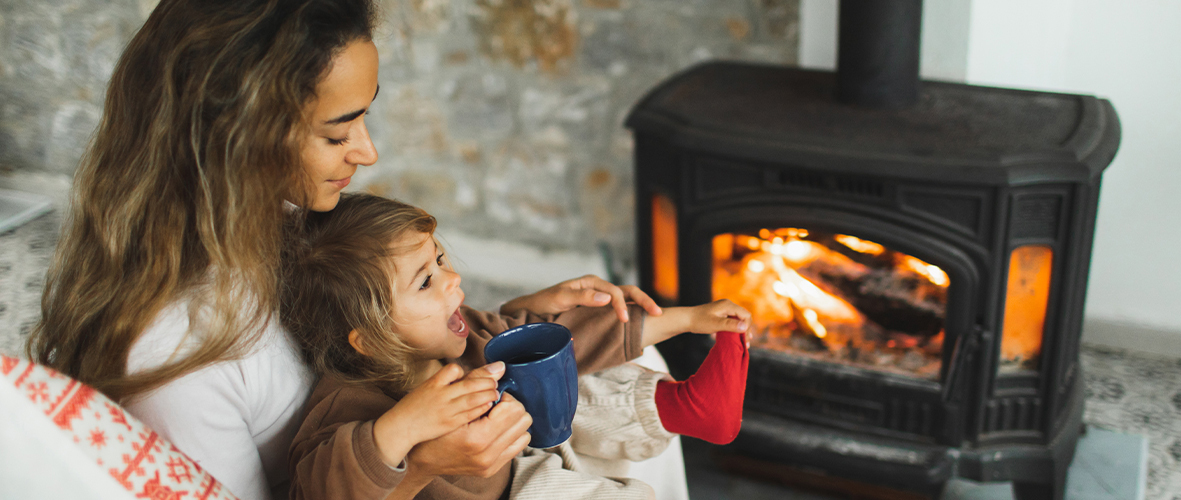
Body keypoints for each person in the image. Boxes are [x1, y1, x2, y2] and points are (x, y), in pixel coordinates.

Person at [24, 1, 659, 499]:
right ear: (240, 138)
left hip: (427, 445)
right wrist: (419, 468)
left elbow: (380, 331)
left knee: (633, 352)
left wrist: (519, 313)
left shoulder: (283, 220)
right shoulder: (176, 356)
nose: (367, 152)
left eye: (363, 116)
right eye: (336, 133)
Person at [279, 193, 752, 500]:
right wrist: (402, 428)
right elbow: (322, 489)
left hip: (528, 458)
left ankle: (682, 405)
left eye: (440, 260)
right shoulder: (343, 406)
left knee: (571, 369)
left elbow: (551, 331)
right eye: (426, 281)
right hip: (516, 492)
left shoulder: (459, 333)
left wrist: (689, 318)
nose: (454, 278)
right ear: (368, 337)